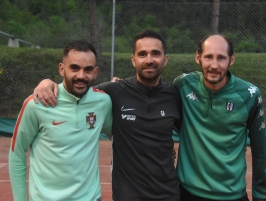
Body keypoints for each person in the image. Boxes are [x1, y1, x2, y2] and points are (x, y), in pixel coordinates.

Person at [32, 30, 182, 201]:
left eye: (155, 54)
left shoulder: (174, 96)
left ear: (165, 59)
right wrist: (48, 83)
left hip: (168, 194)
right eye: (142, 54)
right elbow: (77, 86)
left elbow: (191, 134)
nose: (149, 60)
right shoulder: (112, 92)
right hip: (127, 196)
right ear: (133, 60)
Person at [9, 40, 112, 201]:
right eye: (74, 68)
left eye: (88, 69)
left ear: (96, 72)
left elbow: (120, 137)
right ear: (62, 69)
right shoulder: (37, 103)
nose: (81, 76)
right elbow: (17, 153)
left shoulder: (103, 102)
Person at [173, 35, 266, 201]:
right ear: (198, 57)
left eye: (221, 58)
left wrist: (260, 195)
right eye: (208, 57)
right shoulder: (183, 85)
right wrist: (117, 87)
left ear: (231, 59)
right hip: (187, 193)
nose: (214, 65)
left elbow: (259, 149)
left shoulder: (250, 95)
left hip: (232, 195)